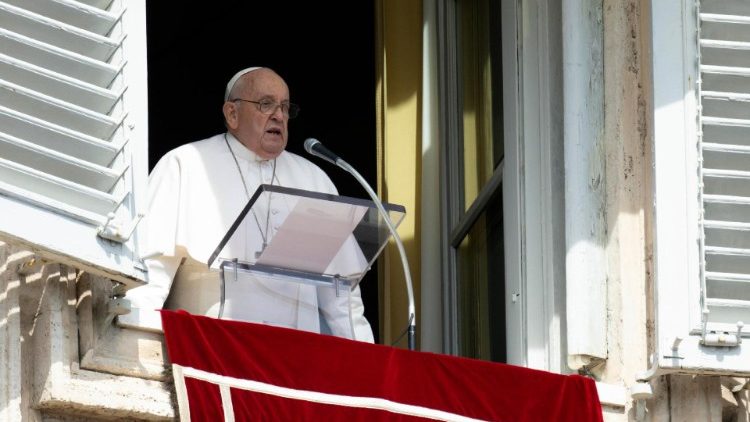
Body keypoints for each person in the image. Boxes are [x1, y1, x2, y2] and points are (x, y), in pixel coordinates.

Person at [118, 67, 374, 342]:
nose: (279, 115)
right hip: (212, 355)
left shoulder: (314, 179)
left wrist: (367, 361)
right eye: (266, 104)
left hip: (296, 363)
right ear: (232, 114)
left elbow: (340, 295)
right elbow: (152, 274)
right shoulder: (185, 164)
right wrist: (133, 342)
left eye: (286, 108)